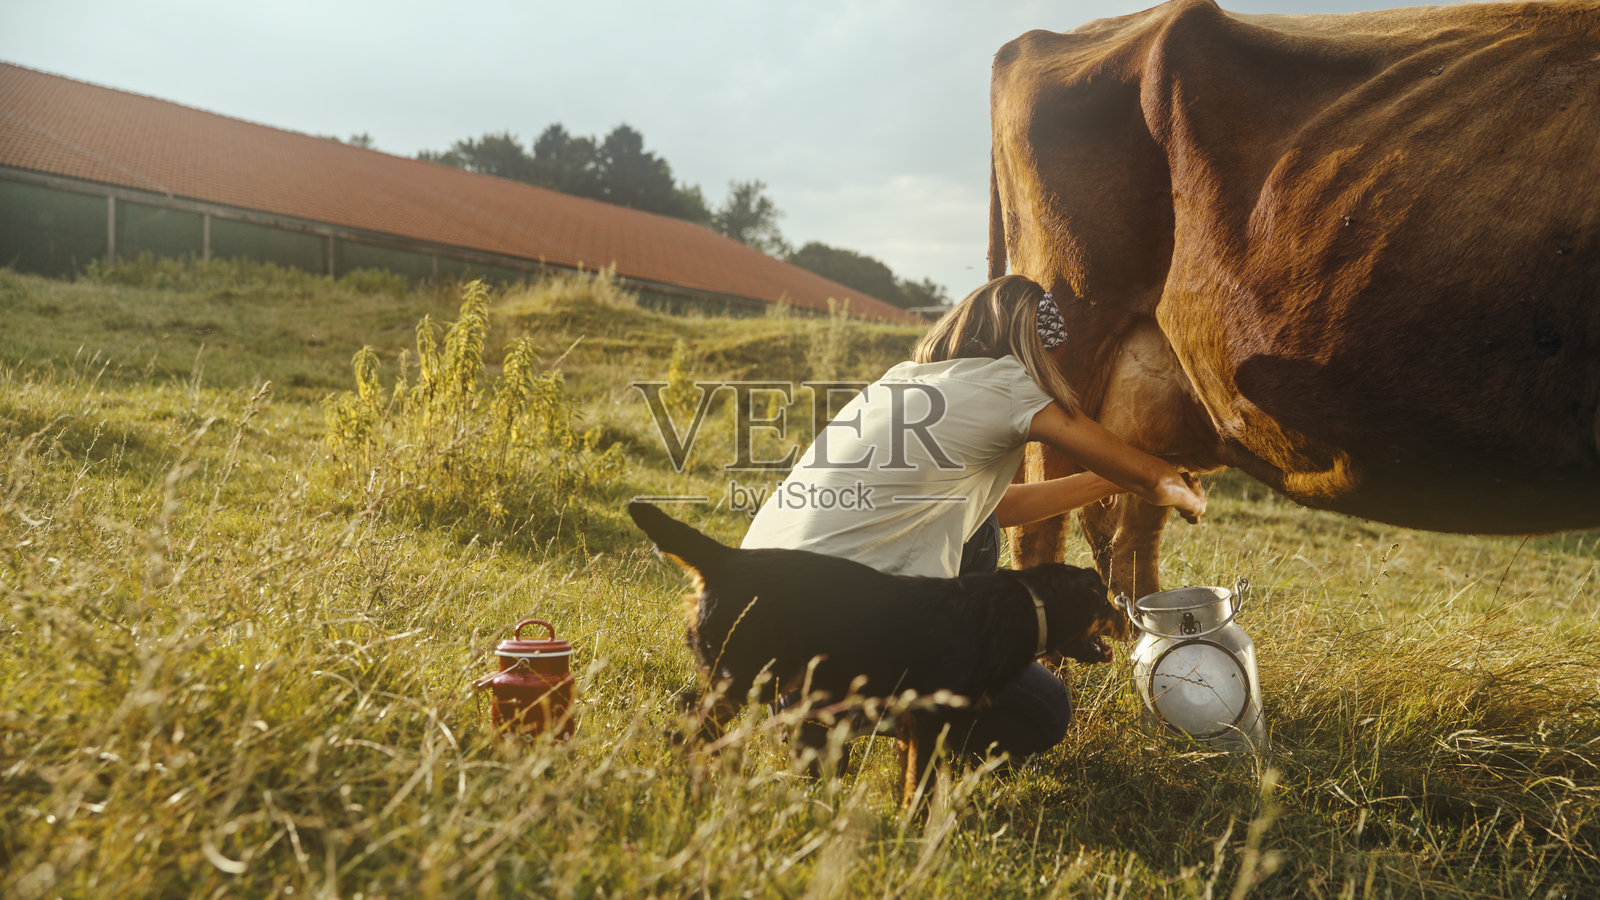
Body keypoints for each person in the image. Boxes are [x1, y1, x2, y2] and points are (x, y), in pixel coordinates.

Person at [740, 274, 1206, 763]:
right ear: (1030, 346)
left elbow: (994, 509)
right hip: (839, 643)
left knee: (980, 532)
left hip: (754, 636)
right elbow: (1155, 481)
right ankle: (895, 714)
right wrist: (1188, 495)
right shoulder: (1010, 383)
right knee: (1044, 711)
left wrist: (1105, 482)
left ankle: (807, 706)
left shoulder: (897, 381)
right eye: (1050, 353)